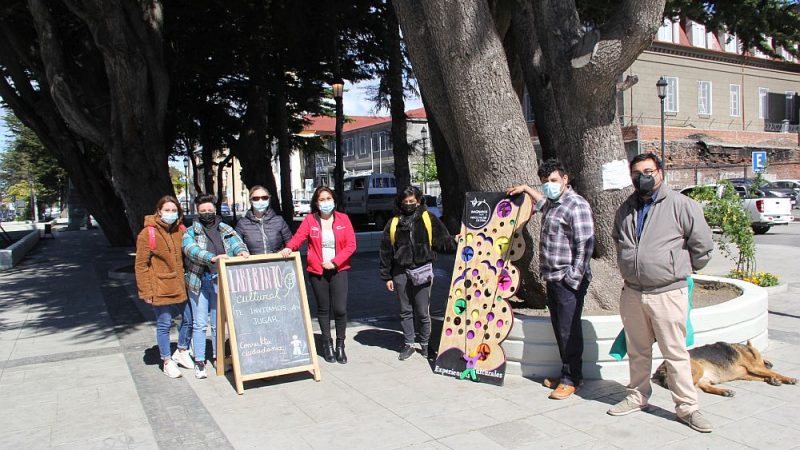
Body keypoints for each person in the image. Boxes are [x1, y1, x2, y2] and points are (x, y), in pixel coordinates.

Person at [607, 153, 714, 433]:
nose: (642, 177)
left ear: (660, 172)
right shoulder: (625, 209)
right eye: (636, 173)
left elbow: (702, 245)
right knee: (637, 350)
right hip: (633, 293)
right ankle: (637, 395)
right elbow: (618, 240)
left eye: (648, 171)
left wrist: (679, 268)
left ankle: (687, 407)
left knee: (675, 353)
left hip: (668, 293)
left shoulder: (682, 205)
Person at [507, 159, 595, 400]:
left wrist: (572, 278)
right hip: (553, 277)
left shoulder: (576, 205)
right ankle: (567, 373)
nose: (549, 185)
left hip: (568, 280)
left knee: (568, 330)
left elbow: (585, 245)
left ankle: (571, 379)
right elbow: (541, 201)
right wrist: (526, 188)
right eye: (545, 182)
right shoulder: (552, 203)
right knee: (560, 328)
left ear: (565, 179)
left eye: (554, 180)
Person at [379, 186, 458, 361]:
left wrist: (454, 241)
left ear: (418, 201)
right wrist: (387, 276)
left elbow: (441, 240)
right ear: (400, 202)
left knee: (422, 311)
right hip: (400, 272)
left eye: (412, 201)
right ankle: (408, 343)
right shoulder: (393, 222)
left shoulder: (428, 218)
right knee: (405, 310)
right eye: (405, 201)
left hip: (422, 270)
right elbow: (385, 250)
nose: (408, 204)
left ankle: (425, 343)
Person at [280, 187, 356, 364]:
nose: (325, 202)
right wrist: (288, 248)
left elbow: (351, 245)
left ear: (334, 200)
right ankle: (327, 344)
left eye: (328, 198)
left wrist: (335, 262)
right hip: (317, 272)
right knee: (323, 309)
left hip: (339, 270)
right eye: (322, 199)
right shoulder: (310, 220)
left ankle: (340, 344)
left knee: (340, 309)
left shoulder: (343, 219)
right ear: (316, 202)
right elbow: (298, 238)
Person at [182, 194, 249, 379]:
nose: (207, 213)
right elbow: (191, 250)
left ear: (215, 210)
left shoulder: (225, 228)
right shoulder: (190, 232)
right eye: (203, 210)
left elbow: (237, 243)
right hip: (199, 281)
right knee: (200, 323)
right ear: (197, 211)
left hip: (220, 280)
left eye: (209, 210)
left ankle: (219, 358)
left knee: (218, 322)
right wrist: (212, 258)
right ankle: (200, 361)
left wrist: (241, 252)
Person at [134, 195, 194, 378]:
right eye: (167, 210)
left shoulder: (181, 230)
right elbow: (141, 265)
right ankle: (167, 361)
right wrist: (146, 291)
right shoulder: (148, 233)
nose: (170, 213)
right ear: (159, 211)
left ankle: (182, 350)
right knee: (164, 324)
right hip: (159, 286)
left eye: (174, 210)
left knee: (189, 319)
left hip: (180, 285)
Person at [235, 185, 292, 254]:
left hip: (277, 260)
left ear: (269, 199)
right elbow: (236, 245)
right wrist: (241, 251)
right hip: (253, 261)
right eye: (256, 198)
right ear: (250, 201)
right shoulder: (242, 224)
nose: (260, 201)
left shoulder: (279, 221)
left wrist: (287, 249)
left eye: (264, 198)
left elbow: (290, 242)